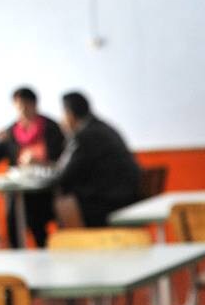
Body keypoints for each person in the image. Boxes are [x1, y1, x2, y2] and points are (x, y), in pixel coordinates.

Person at [0, 86, 65, 248]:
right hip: (19, 191)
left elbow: (62, 158)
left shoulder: (51, 128)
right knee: (14, 220)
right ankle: (17, 252)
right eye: (18, 106)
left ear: (34, 104)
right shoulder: (11, 131)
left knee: (39, 226)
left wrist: (39, 161)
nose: (23, 110)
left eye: (26, 104)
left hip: (45, 190)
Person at [53, 91, 142, 227]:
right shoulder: (104, 127)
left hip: (108, 203)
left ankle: (73, 245)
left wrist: (67, 135)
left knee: (63, 202)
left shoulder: (83, 136)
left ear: (69, 114)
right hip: (129, 196)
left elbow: (64, 175)